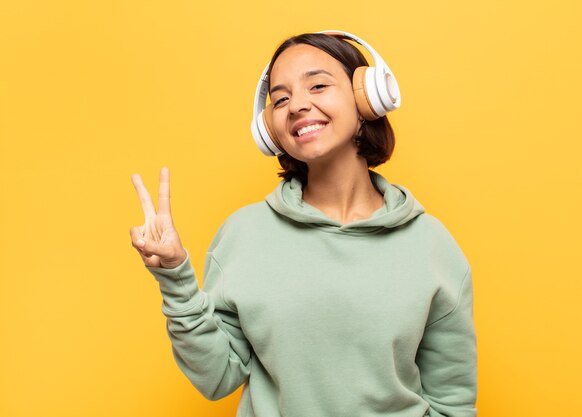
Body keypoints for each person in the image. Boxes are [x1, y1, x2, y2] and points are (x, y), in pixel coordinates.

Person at [130, 31, 477, 417]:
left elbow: (453, 402)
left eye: (318, 85)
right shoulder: (243, 235)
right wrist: (176, 280)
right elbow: (217, 378)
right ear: (270, 128)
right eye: (280, 99)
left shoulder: (430, 244)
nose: (297, 105)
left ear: (368, 97)